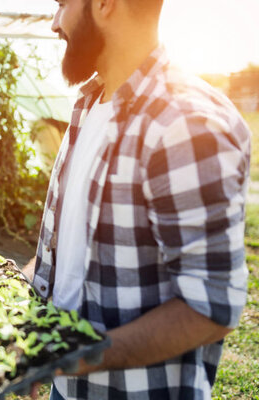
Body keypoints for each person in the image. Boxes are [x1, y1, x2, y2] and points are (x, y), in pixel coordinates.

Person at [22, 1, 251, 399]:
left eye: (62, 4)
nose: (55, 23)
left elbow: (209, 308)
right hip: (69, 388)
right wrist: (7, 293)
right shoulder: (87, 106)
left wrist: (69, 356)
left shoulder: (184, 123)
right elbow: (71, 250)